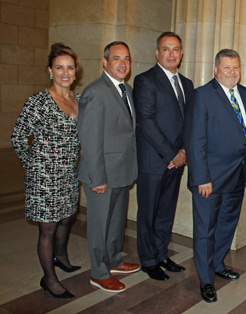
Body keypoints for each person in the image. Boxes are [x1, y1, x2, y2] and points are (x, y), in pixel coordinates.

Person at [183, 49, 246, 303]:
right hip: (210, 179)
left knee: (227, 224)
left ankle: (217, 264)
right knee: (205, 229)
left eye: (236, 67)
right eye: (226, 67)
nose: (232, 72)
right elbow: (194, 140)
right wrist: (201, 176)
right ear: (216, 69)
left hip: (238, 175)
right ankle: (206, 280)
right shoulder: (201, 96)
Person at [11, 43, 81, 299]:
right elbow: (18, 137)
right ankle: (49, 279)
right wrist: (35, 165)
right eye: (59, 67)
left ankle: (61, 257)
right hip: (44, 178)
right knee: (48, 229)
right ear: (50, 71)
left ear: (76, 71)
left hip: (69, 175)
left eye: (70, 67)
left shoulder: (78, 99)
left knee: (66, 219)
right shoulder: (38, 102)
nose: (65, 72)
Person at [78, 41, 140, 293]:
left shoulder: (127, 89)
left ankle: (114, 260)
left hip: (122, 170)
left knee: (116, 222)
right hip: (102, 172)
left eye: (126, 58)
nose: (123, 63)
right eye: (116, 58)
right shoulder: (95, 91)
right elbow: (90, 138)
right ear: (105, 62)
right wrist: (97, 177)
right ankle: (99, 272)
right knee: (99, 224)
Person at [133, 32, 193, 281]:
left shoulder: (187, 84)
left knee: (166, 211)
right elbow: (146, 122)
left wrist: (185, 152)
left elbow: (191, 122)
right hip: (154, 161)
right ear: (157, 53)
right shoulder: (145, 80)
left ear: (181, 53)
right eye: (166, 49)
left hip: (177, 160)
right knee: (149, 212)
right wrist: (173, 154)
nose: (171, 54)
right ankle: (148, 260)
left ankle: (161, 254)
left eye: (176, 49)